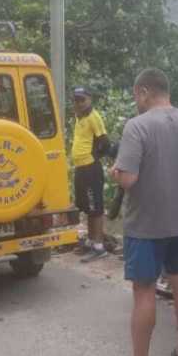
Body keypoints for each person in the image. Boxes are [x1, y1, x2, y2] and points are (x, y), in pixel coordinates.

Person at [104, 68, 178, 356]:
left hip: (146, 226)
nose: (136, 101)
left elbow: (129, 178)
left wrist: (114, 173)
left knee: (144, 290)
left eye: (136, 95)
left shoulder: (137, 126)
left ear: (144, 91)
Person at [69, 87, 110, 263]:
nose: (78, 103)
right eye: (76, 100)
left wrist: (93, 158)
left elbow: (105, 143)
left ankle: (99, 247)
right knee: (86, 206)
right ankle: (90, 241)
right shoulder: (79, 117)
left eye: (82, 100)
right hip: (80, 168)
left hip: (90, 169)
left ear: (89, 99)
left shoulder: (94, 117)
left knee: (96, 207)